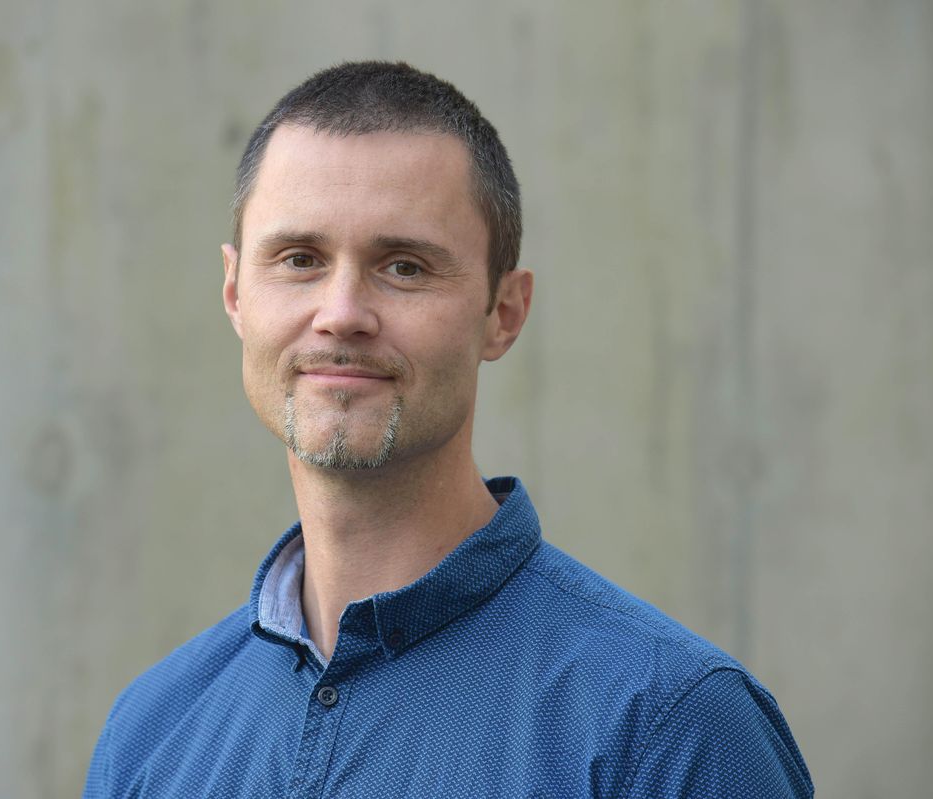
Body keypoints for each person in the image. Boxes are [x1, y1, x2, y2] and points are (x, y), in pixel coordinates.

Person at [83, 61, 813, 798]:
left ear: (504, 312)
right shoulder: (149, 734)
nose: (341, 313)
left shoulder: (671, 729)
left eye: (403, 267)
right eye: (299, 259)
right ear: (236, 292)